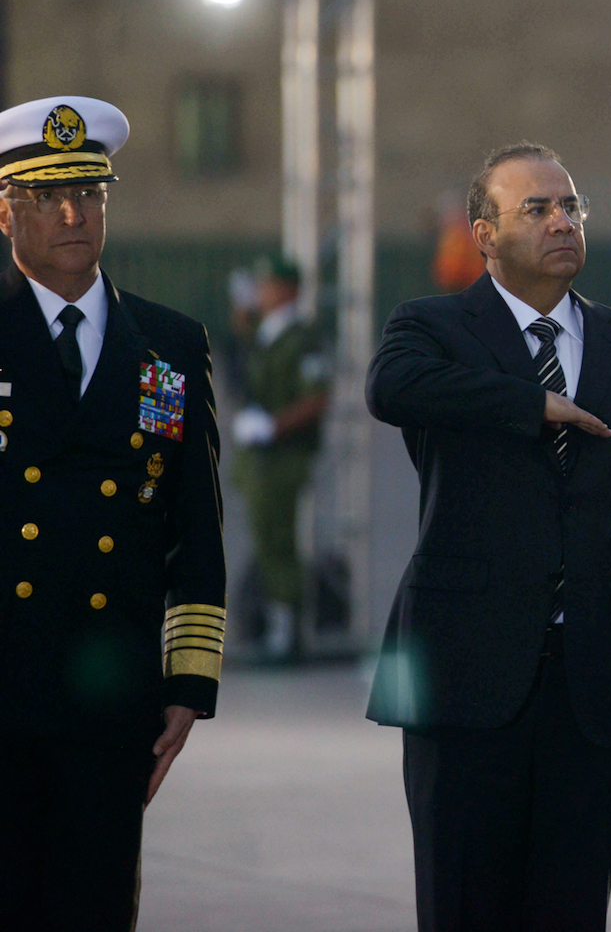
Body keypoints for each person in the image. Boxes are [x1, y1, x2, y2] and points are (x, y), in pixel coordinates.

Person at [364, 142, 611, 931]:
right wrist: (531, 404)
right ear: (483, 233)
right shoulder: (433, 327)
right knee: (465, 904)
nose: (560, 222)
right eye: (535, 209)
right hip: (465, 681)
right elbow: (389, 387)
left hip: (593, 688)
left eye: (570, 206)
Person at [0, 96, 227, 928]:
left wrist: (189, 682)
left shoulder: (167, 347)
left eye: (90, 194)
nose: (72, 214)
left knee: (95, 906)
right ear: (5, 212)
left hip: (112, 694)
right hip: (4, 683)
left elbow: (195, 526)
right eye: (45, 197)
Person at [231, 253, 330, 661]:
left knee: (279, 540)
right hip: (259, 459)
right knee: (265, 538)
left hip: (284, 456)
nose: (261, 292)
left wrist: (272, 426)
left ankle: (287, 633)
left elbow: (315, 398)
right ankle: (275, 626)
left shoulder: (301, 337)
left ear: (289, 289)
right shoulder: (265, 332)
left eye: (268, 284)